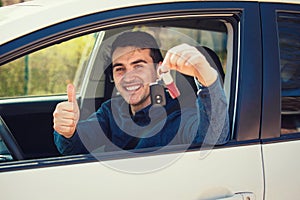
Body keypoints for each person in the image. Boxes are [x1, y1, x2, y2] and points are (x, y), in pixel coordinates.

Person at [53, 31, 229, 155]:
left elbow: (214, 139)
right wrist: (67, 132)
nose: (128, 78)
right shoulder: (110, 111)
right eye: (120, 69)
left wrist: (206, 78)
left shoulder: (179, 113)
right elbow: (73, 147)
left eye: (138, 66)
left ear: (159, 70)